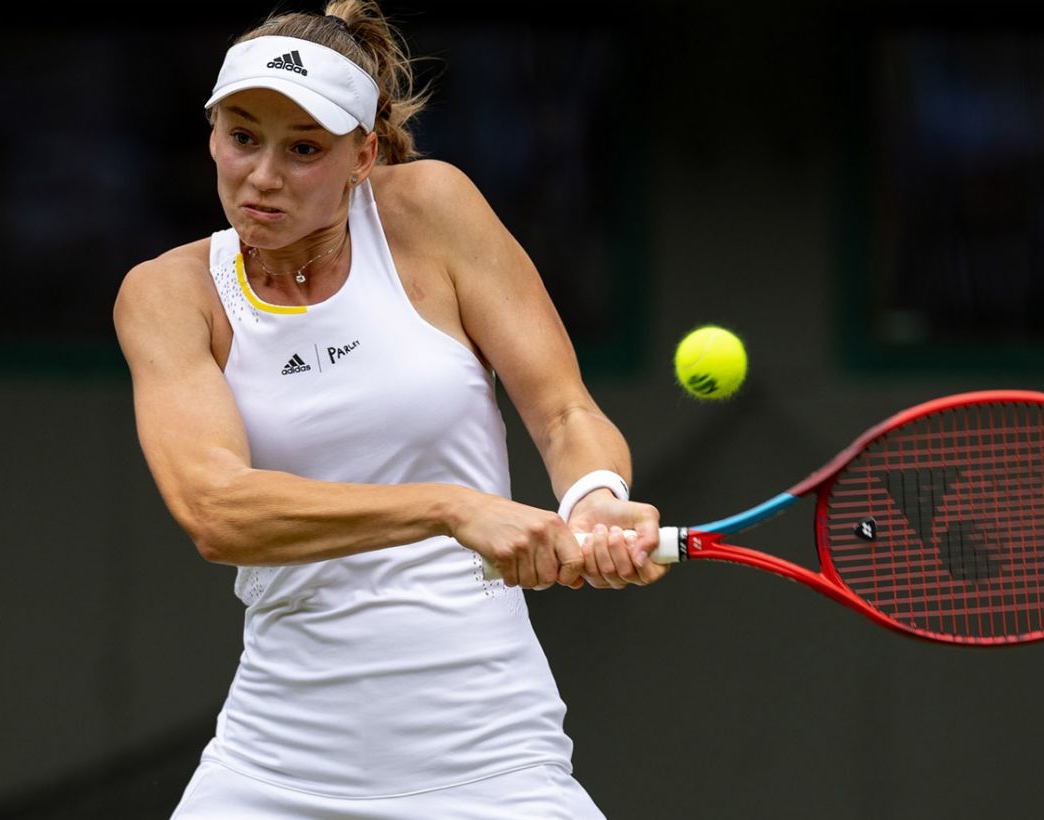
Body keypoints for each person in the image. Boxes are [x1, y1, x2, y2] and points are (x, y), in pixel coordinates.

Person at [113, 1, 667, 816]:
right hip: (272, 769)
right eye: (242, 137)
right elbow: (216, 511)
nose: (263, 175)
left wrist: (595, 498)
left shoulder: (433, 209)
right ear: (213, 135)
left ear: (363, 154)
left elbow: (562, 414)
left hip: (492, 761)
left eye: (304, 148)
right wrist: (452, 509)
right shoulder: (168, 295)